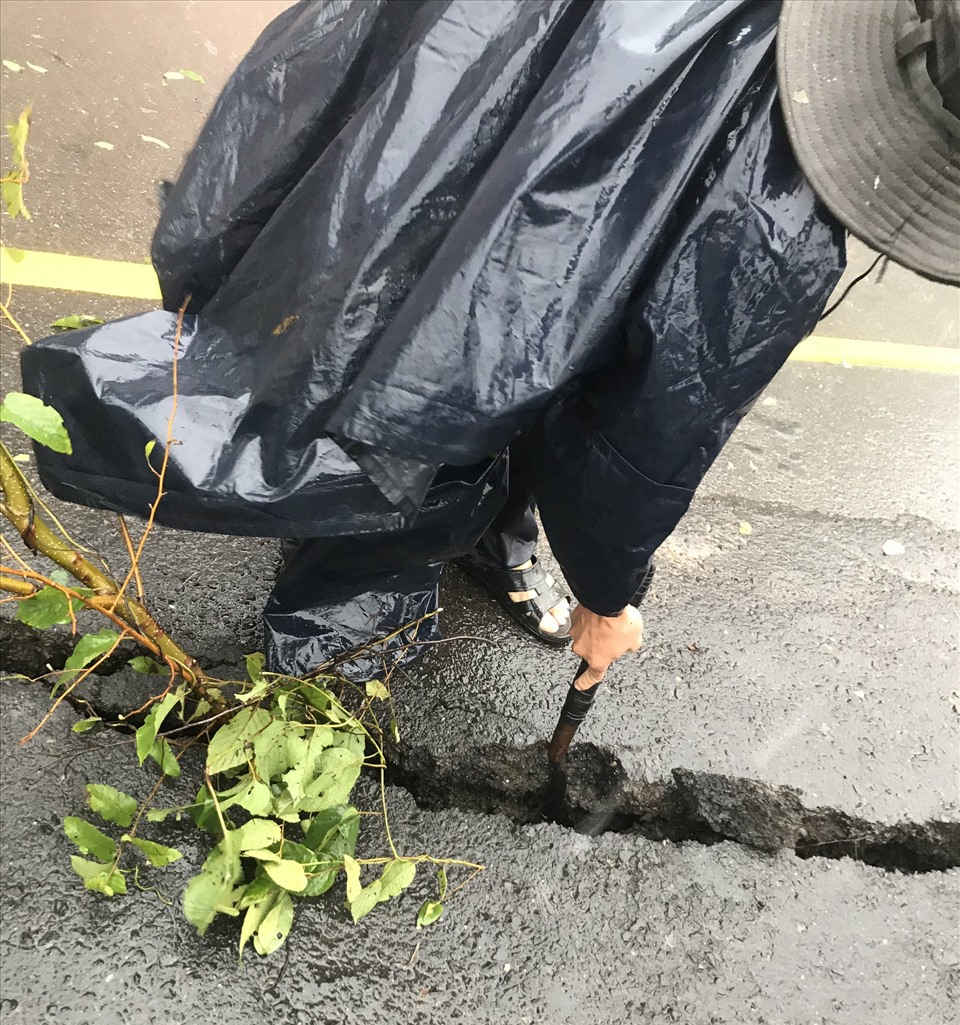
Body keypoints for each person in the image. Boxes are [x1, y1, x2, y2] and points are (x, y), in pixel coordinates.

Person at [23, 0, 959, 690]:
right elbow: (644, 426)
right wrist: (608, 595)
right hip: (470, 289)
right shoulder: (776, 195)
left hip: (408, 133)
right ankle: (338, 650)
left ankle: (474, 531)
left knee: (395, 337)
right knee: (427, 406)